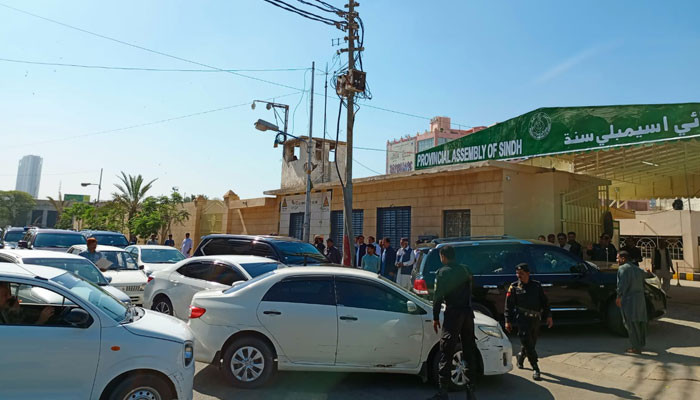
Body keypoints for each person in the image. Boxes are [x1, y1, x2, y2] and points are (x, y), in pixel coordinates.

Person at [428, 246, 477, 400]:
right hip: (468, 314)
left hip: (453, 314)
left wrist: (435, 317)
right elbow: (471, 290)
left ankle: (443, 392)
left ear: (443, 256)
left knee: (446, 351)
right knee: (469, 352)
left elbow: (437, 296)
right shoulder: (466, 270)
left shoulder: (442, 272)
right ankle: (470, 391)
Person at [504, 263, 552, 381]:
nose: (519, 276)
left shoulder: (536, 286)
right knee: (528, 342)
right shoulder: (514, 287)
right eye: (517, 273)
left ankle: (521, 356)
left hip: (535, 319)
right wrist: (507, 321)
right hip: (522, 319)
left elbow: (544, 302)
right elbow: (508, 305)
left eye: (521, 273)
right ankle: (535, 367)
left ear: (528, 273)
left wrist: (549, 316)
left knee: (531, 343)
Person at [616, 250, 648, 354]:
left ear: (623, 259)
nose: (617, 260)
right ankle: (641, 344)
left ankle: (636, 347)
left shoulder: (622, 269)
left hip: (629, 300)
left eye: (618, 258)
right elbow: (647, 276)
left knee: (631, 323)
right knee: (640, 322)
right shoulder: (637, 268)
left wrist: (619, 297)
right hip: (640, 299)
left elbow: (621, 285)